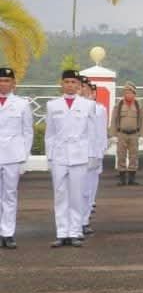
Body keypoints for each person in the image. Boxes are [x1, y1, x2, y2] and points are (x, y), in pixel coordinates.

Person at [44, 70, 91, 248]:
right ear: (61, 84)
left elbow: (91, 133)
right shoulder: (52, 105)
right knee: (60, 195)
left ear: (79, 85)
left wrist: (92, 155)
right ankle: (62, 232)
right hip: (59, 155)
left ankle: (75, 231)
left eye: (73, 82)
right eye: (67, 82)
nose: (70, 85)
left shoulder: (87, 105)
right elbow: (49, 134)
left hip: (79, 154)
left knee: (76, 195)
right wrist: (50, 157)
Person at [0, 67, 30, 249]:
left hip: (12, 156)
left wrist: (23, 156)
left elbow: (27, 132)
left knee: (10, 195)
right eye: (1, 80)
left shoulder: (22, 104)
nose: (3, 84)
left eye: (7, 80)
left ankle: (8, 233)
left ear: (14, 84)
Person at [78, 74, 107, 235]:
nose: (81, 90)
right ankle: (74, 221)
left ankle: (84, 220)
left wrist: (99, 154)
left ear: (89, 90)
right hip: (75, 153)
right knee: (74, 190)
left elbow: (100, 133)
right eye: (79, 86)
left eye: (84, 87)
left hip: (92, 153)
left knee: (88, 190)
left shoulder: (99, 109)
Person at [112, 84, 142, 186]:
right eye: (125, 93)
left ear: (134, 94)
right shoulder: (119, 105)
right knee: (121, 155)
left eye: (130, 92)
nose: (127, 94)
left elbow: (142, 120)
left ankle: (132, 179)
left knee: (134, 156)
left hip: (134, 134)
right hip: (122, 134)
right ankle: (122, 179)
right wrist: (113, 134)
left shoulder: (138, 105)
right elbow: (114, 119)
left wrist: (142, 135)